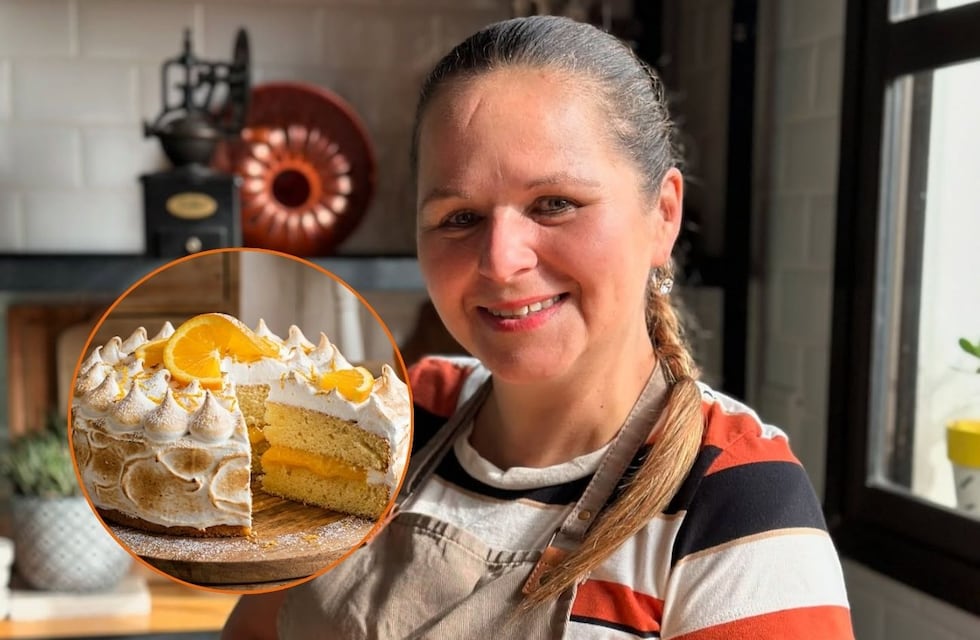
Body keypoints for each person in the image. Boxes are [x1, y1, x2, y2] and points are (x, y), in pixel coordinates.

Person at [222, 15, 855, 639]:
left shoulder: (735, 499)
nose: (501, 260)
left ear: (662, 215)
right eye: (459, 216)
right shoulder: (398, 417)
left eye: (555, 204)